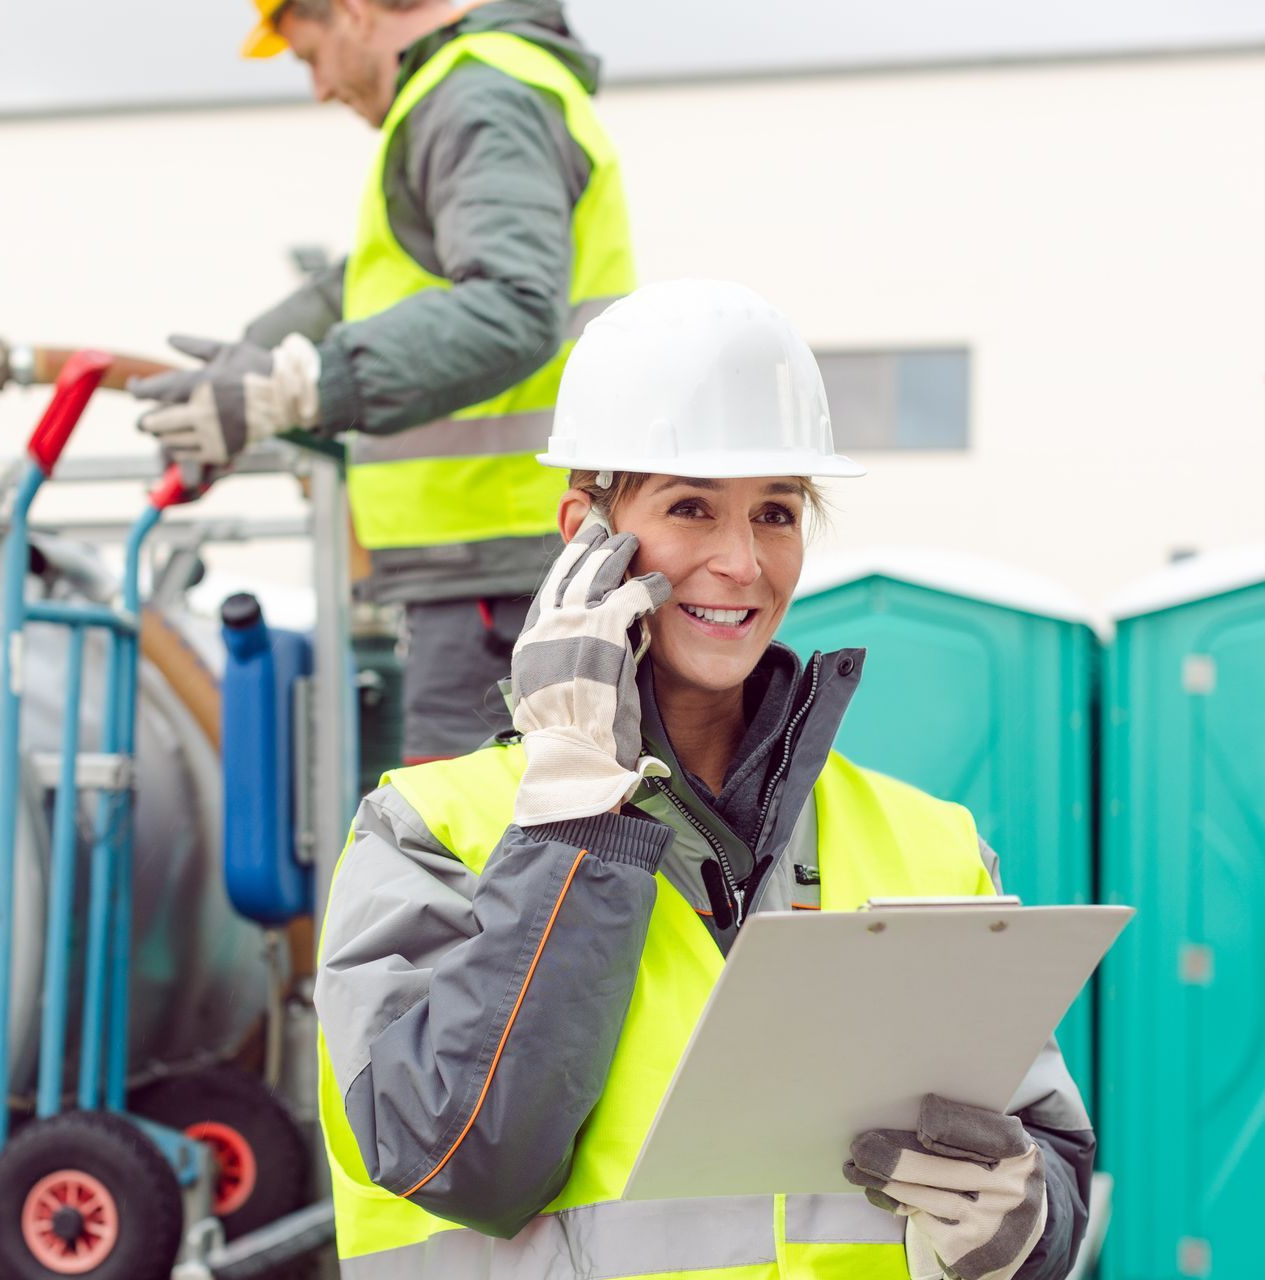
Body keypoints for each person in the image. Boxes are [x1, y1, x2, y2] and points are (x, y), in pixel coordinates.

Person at [311, 280, 1096, 1279]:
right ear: (582, 535)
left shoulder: (927, 839)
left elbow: (1047, 1154)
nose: (742, 560)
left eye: (776, 511)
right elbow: (459, 1163)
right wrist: (572, 822)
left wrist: (1022, 1225)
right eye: (691, 508)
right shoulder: (427, 830)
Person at [128, 0, 634, 763]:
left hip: (507, 569)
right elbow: (360, 285)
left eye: (309, 55)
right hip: (495, 565)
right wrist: (241, 375)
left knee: (469, 853)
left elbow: (510, 308)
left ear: (355, 13)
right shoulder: (465, 94)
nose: (320, 89)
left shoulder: (480, 96)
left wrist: (297, 387)